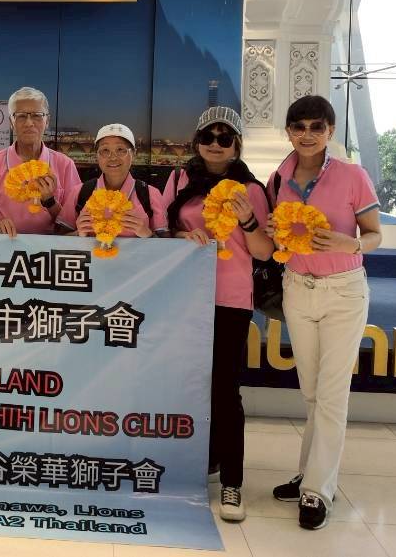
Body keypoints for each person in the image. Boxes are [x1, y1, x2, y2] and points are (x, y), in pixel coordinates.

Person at [266, 95, 382, 531]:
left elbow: (375, 235)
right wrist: (274, 234)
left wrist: (352, 243)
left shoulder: (352, 175)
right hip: (297, 288)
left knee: (332, 394)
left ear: (331, 131)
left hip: (343, 291)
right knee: (312, 392)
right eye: (299, 127)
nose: (308, 134)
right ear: (289, 132)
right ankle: (308, 473)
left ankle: (318, 490)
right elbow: (276, 237)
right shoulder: (279, 178)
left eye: (317, 126)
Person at [164, 106, 274, 522]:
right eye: (207, 137)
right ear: (196, 142)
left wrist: (248, 220)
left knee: (226, 391)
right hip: (183, 296)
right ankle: (197, 462)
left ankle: (232, 481)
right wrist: (181, 234)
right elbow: (164, 231)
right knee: (187, 385)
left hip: (229, 297)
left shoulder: (251, 189)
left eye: (224, 137)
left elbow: (264, 252)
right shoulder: (179, 180)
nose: (215, 144)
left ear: (237, 144)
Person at [0, 86, 81, 236]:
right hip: (5, 247)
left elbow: (75, 225)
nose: (29, 123)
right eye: (21, 116)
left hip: (50, 249)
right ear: (11, 122)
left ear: (47, 120)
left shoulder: (65, 165)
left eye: (37, 115)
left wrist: (50, 201)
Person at [57, 123, 167, 238]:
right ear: (97, 155)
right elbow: (58, 238)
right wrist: (78, 234)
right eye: (105, 150)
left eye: (120, 150)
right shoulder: (80, 192)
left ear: (133, 154)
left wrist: (148, 234)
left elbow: (168, 243)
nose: (113, 157)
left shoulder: (150, 195)